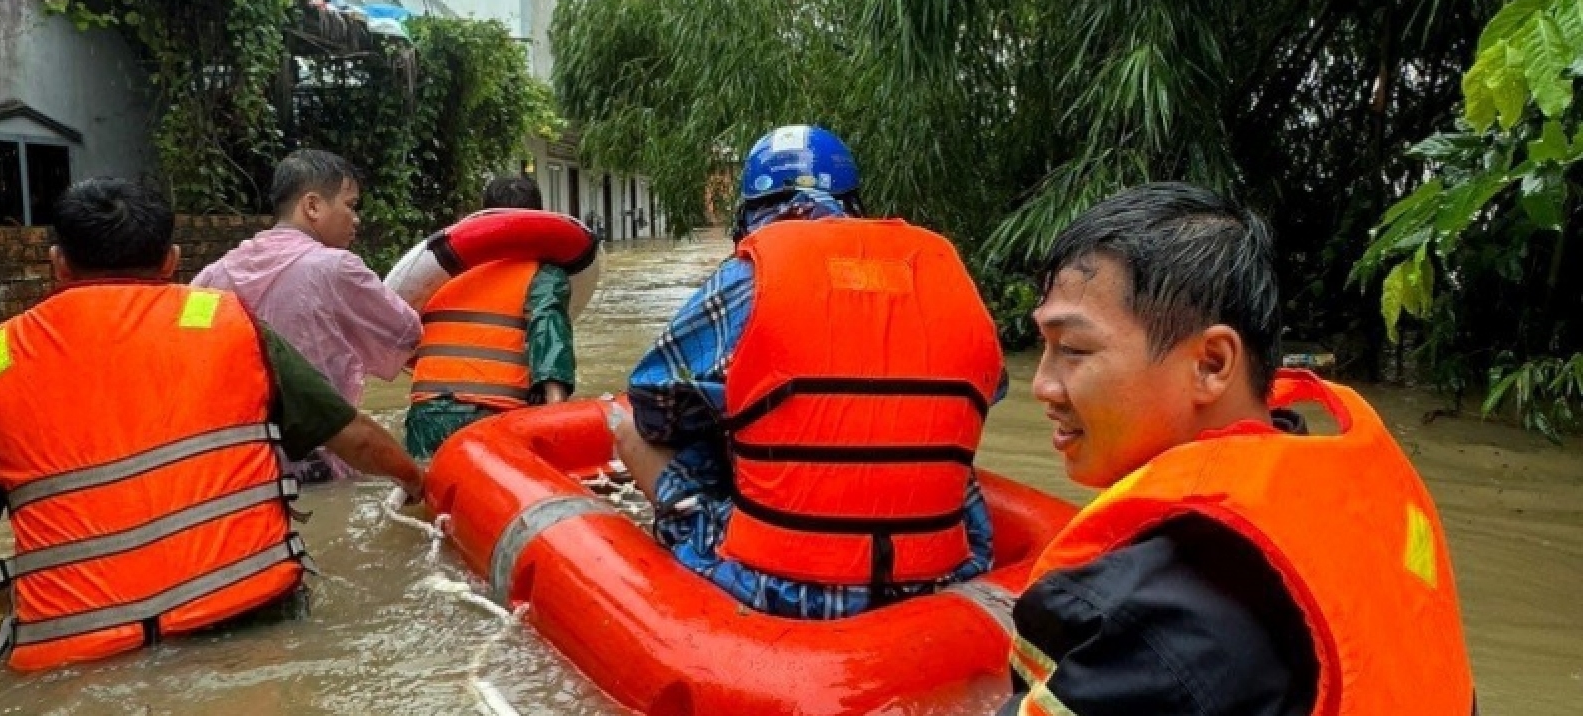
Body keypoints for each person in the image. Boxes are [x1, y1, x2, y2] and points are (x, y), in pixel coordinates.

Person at [1005, 183, 1475, 716]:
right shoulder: (1348, 501)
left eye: (1072, 350)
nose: (1042, 386)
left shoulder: (1143, 618)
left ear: (1211, 364)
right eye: (1045, 348)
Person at [0, 179, 422, 671]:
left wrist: (0, 594)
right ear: (171, 261)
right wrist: (415, 479)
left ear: (58, 264)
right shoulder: (228, 323)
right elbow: (353, 436)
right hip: (250, 616)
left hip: (78, 649)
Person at [613, 125, 1005, 619]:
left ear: (749, 211)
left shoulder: (749, 273)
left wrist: (738, 419)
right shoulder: (942, 267)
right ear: (851, 201)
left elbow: (653, 402)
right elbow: (989, 391)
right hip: (945, 573)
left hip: (780, 586)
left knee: (630, 430)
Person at [193, 149, 421, 483]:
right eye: (351, 205)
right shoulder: (336, 268)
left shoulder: (213, 275)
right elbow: (407, 332)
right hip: (318, 458)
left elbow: (190, 344)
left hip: (237, 465)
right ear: (312, 206)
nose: (356, 219)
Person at [402, 175, 578, 458]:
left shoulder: (440, 272)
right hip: (496, 415)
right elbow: (549, 334)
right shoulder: (544, 275)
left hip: (427, 414)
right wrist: (556, 415)